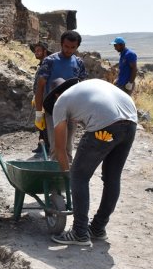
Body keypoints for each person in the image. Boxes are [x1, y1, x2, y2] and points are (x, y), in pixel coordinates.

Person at [43, 78, 138, 246]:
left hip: (105, 124)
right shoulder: (88, 88)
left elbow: (60, 149)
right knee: (112, 178)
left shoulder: (61, 102)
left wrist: (67, 175)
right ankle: (98, 228)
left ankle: (79, 233)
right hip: (130, 123)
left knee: (79, 176)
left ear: (56, 95)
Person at [34, 30, 88, 163]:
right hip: (53, 109)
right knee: (56, 147)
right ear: (61, 44)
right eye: (66, 46)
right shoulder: (50, 61)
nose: (69, 50)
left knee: (68, 146)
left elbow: (82, 88)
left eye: (73, 48)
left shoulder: (79, 63)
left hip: (72, 110)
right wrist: (39, 112)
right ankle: (55, 178)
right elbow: (40, 87)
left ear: (77, 47)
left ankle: (68, 178)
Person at [29, 42, 51, 154]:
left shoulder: (47, 65)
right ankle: (41, 145)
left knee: (45, 124)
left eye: (38, 51)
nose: (36, 53)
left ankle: (47, 147)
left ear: (45, 52)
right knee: (40, 124)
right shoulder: (42, 64)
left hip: (45, 99)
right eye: (35, 51)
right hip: (39, 99)